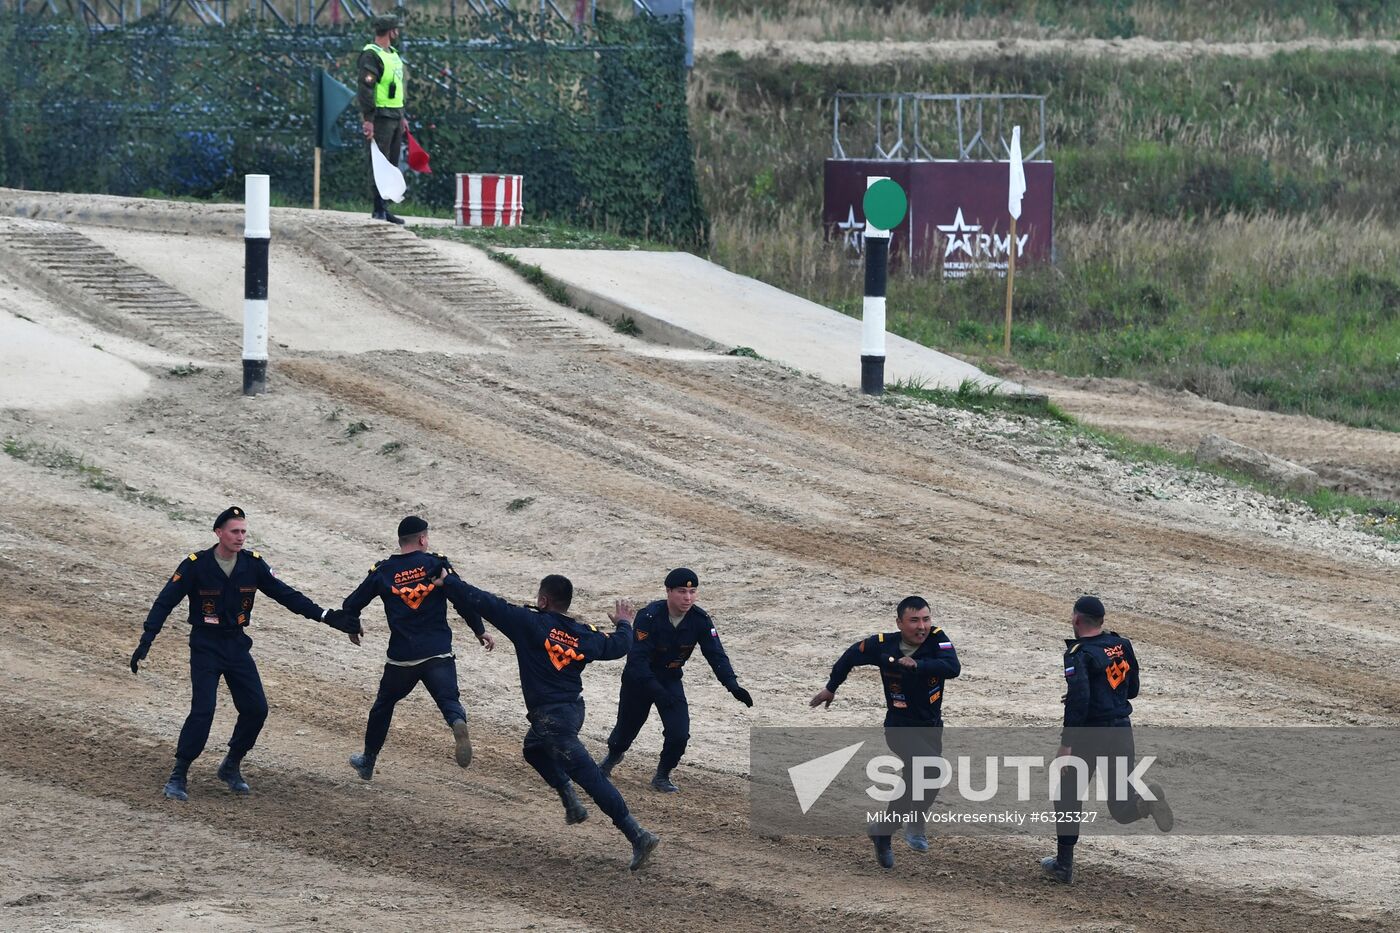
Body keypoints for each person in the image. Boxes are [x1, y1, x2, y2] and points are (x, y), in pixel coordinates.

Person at [130, 506, 361, 801]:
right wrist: (147, 639)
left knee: (256, 709)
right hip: (205, 646)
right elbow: (165, 602)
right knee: (203, 711)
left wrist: (327, 616)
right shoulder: (195, 565)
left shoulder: (252, 565)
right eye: (234, 531)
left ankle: (231, 765)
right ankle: (179, 774)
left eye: (243, 532)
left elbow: (286, 594)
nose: (240, 537)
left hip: (237, 645)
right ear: (219, 533)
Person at [440, 571, 661, 871]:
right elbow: (619, 645)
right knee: (532, 749)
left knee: (591, 777)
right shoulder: (584, 633)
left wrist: (449, 581)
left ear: (543, 600)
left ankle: (637, 835)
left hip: (551, 719)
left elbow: (485, 602)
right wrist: (624, 623)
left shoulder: (528, 622)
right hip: (572, 711)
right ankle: (570, 800)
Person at [337, 516, 496, 782]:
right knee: (449, 701)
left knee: (383, 706)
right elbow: (462, 599)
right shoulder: (436, 564)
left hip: (402, 657)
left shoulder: (383, 571)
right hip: (437, 653)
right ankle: (457, 722)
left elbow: (351, 603)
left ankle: (367, 761)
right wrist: (479, 630)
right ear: (422, 539)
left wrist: (353, 626)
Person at [810, 595, 960, 869]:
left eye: (926, 619)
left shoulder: (938, 639)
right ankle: (913, 825)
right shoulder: (883, 645)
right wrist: (831, 687)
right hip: (899, 727)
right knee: (934, 771)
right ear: (900, 623)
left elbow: (953, 667)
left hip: (931, 727)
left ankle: (883, 832)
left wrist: (919, 665)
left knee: (918, 781)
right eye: (914, 620)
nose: (922, 626)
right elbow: (850, 656)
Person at [1039, 595, 1174, 884]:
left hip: (1090, 735)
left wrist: (1065, 745)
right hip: (1121, 731)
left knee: (1066, 794)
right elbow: (1132, 688)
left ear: (1076, 620)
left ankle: (1064, 866)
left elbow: (1080, 702)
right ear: (1101, 621)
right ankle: (1146, 801)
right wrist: (1097, 697)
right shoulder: (1122, 645)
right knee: (1121, 807)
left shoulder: (1078, 653)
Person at [598, 568, 752, 793]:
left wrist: (732, 685)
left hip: (670, 679)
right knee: (626, 728)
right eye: (682, 591)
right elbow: (637, 661)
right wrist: (655, 690)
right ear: (668, 591)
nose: (688, 598)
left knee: (679, 733)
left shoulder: (700, 619)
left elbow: (715, 653)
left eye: (692, 592)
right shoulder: (649, 616)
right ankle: (611, 758)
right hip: (639, 682)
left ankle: (662, 775)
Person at [358, 14, 408, 224]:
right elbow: (366, 89)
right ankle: (378, 208)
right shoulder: (371, 55)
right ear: (390, 31)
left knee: (392, 162)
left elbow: (397, 89)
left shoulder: (393, 54)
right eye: (396, 29)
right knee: (380, 162)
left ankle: (385, 207)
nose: (398, 32)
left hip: (395, 115)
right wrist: (368, 119)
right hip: (381, 117)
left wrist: (402, 116)